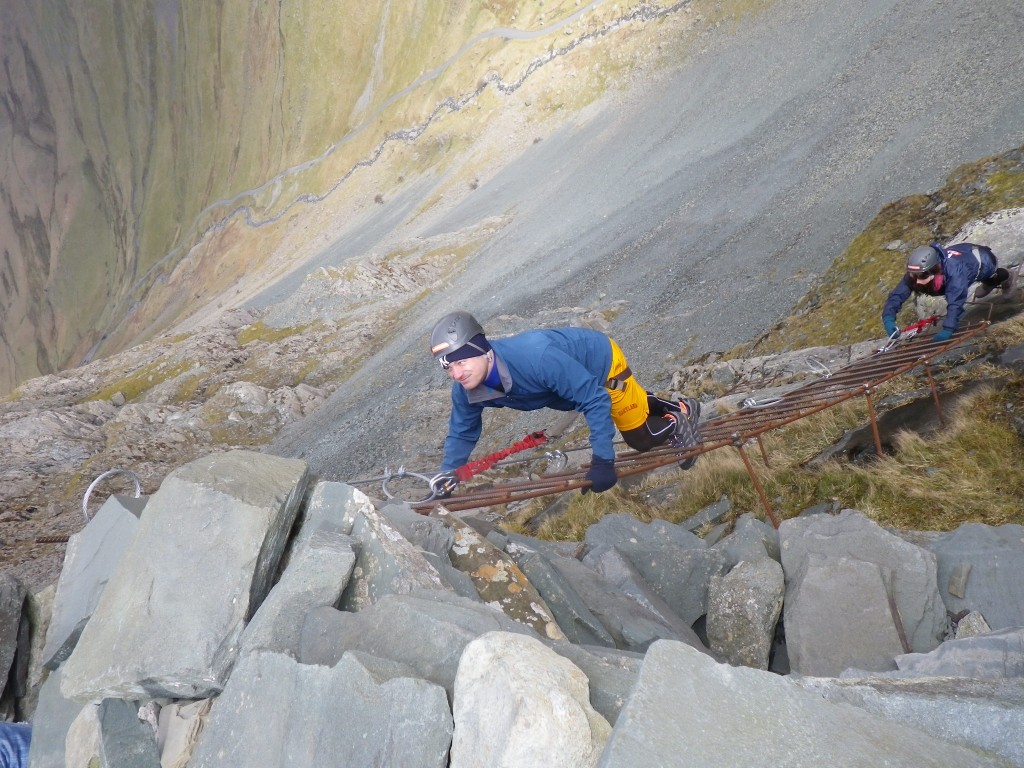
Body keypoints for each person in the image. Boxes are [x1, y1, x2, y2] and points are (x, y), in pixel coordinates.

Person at [428, 311, 701, 497]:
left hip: (601, 365)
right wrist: (448, 475)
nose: (456, 374)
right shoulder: (466, 388)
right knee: (612, 398)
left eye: (461, 362)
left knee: (640, 439)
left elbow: (594, 400)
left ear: (486, 352)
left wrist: (603, 461)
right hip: (573, 379)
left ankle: (678, 417)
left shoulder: (537, 359)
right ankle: (657, 403)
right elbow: (462, 432)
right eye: (449, 368)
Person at [882, 243, 1015, 342]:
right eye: (913, 275)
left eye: (922, 276)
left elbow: (955, 303)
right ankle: (990, 282)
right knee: (977, 291)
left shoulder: (954, 274)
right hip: (964, 253)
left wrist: (948, 329)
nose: (917, 281)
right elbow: (897, 295)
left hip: (984, 260)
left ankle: (1005, 277)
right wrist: (888, 318)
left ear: (935, 270)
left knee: (990, 274)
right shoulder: (918, 272)